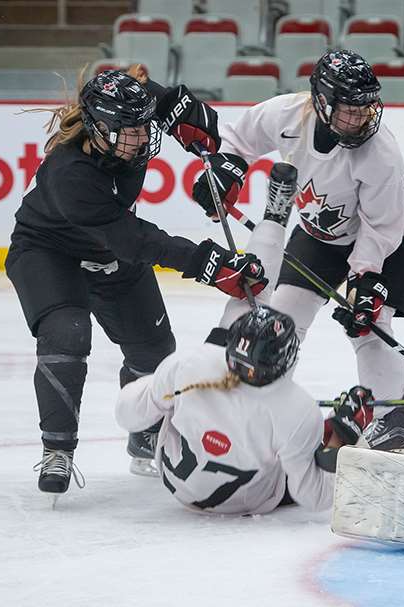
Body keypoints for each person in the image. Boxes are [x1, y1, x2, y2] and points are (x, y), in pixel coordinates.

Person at [6, 65, 268, 498]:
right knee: (67, 333)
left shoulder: (131, 118)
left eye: (146, 127)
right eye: (131, 131)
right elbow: (132, 239)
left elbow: (164, 102)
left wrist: (208, 139)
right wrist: (207, 262)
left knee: (153, 349)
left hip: (107, 251)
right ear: (99, 129)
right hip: (49, 252)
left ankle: (144, 432)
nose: (145, 138)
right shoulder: (69, 174)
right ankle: (57, 450)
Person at [189, 49, 404, 413]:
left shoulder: (381, 152)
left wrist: (364, 278)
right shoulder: (286, 114)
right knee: (282, 319)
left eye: (366, 108)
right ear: (322, 102)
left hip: (394, 238)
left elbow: (382, 225)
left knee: (368, 324)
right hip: (322, 234)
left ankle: (389, 421)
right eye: (350, 109)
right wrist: (225, 172)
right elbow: (236, 140)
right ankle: (264, 403)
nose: (362, 119)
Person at [115, 163, 338, 515]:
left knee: (248, 298)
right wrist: (340, 441)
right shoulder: (297, 408)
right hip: (256, 499)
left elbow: (127, 414)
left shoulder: (189, 365)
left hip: (176, 485)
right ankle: (338, 436)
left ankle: (274, 219)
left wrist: (160, 393)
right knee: (315, 445)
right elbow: (316, 497)